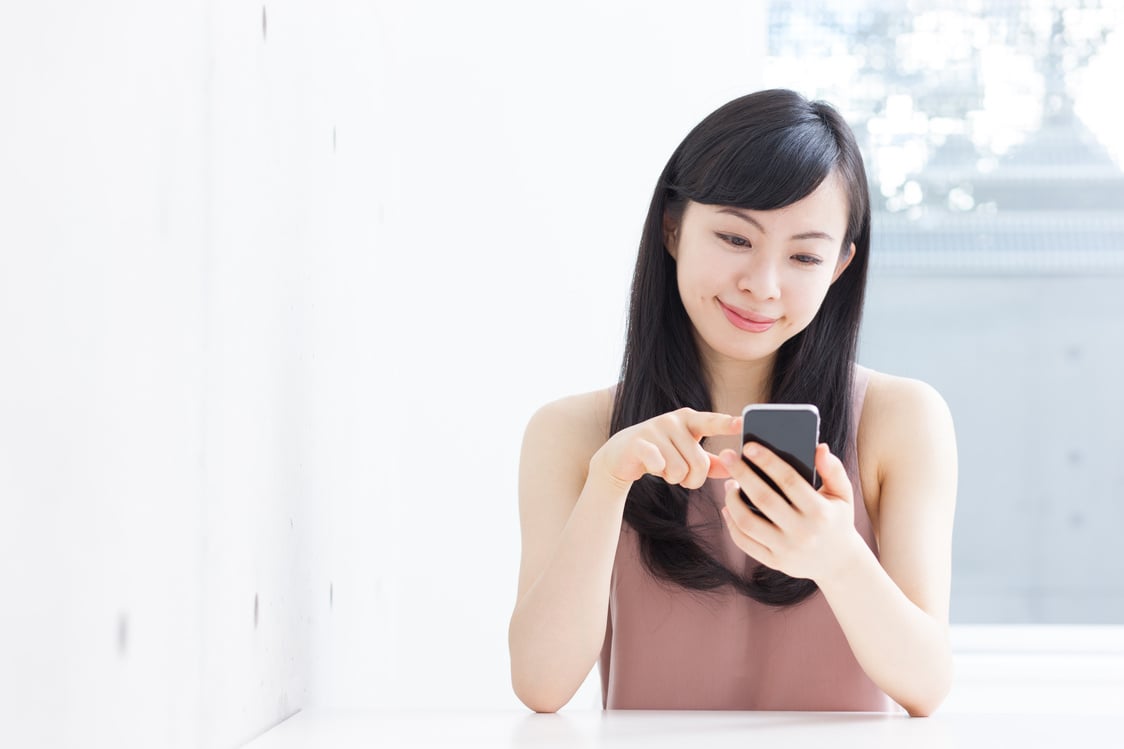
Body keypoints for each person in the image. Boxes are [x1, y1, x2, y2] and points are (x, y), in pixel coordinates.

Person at [507, 88, 957, 717]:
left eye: (804, 255)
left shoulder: (899, 418)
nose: (762, 285)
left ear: (839, 267)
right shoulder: (574, 433)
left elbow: (927, 685)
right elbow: (541, 684)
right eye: (734, 238)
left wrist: (837, 557)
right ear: (672, 228)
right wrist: (608, 483)